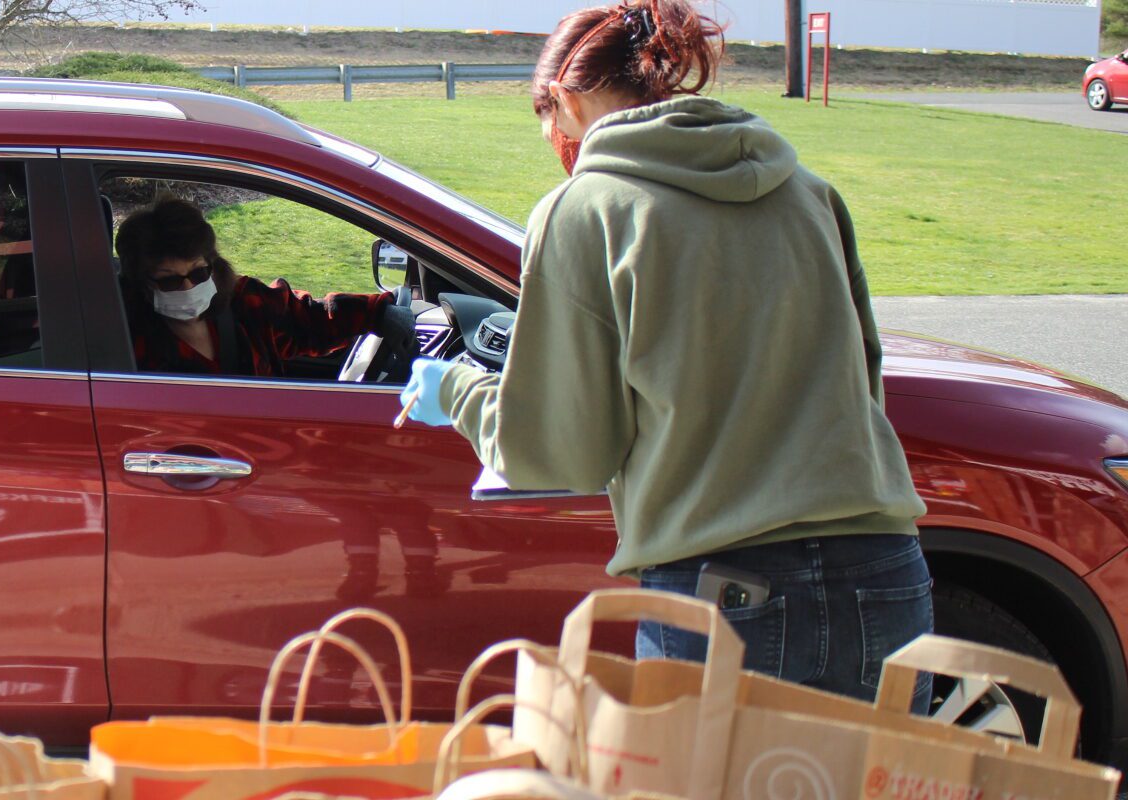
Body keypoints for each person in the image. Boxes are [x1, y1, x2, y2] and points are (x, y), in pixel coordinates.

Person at [397, 0, 934, 707]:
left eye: (549, 123)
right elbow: (863, 384)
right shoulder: (809, 193)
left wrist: (459, 392)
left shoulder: (585, 208)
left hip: (723, 590)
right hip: (888, 576)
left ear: (562, 98)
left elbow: (565, 450)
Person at [115, 197, 394, 377]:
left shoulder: (245, 302)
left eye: (199, 273)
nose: (188, 286)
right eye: (170, 280)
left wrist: (378, 312)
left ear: (213, 264)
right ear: (142, 281)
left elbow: (309, 319)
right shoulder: (123, 339)